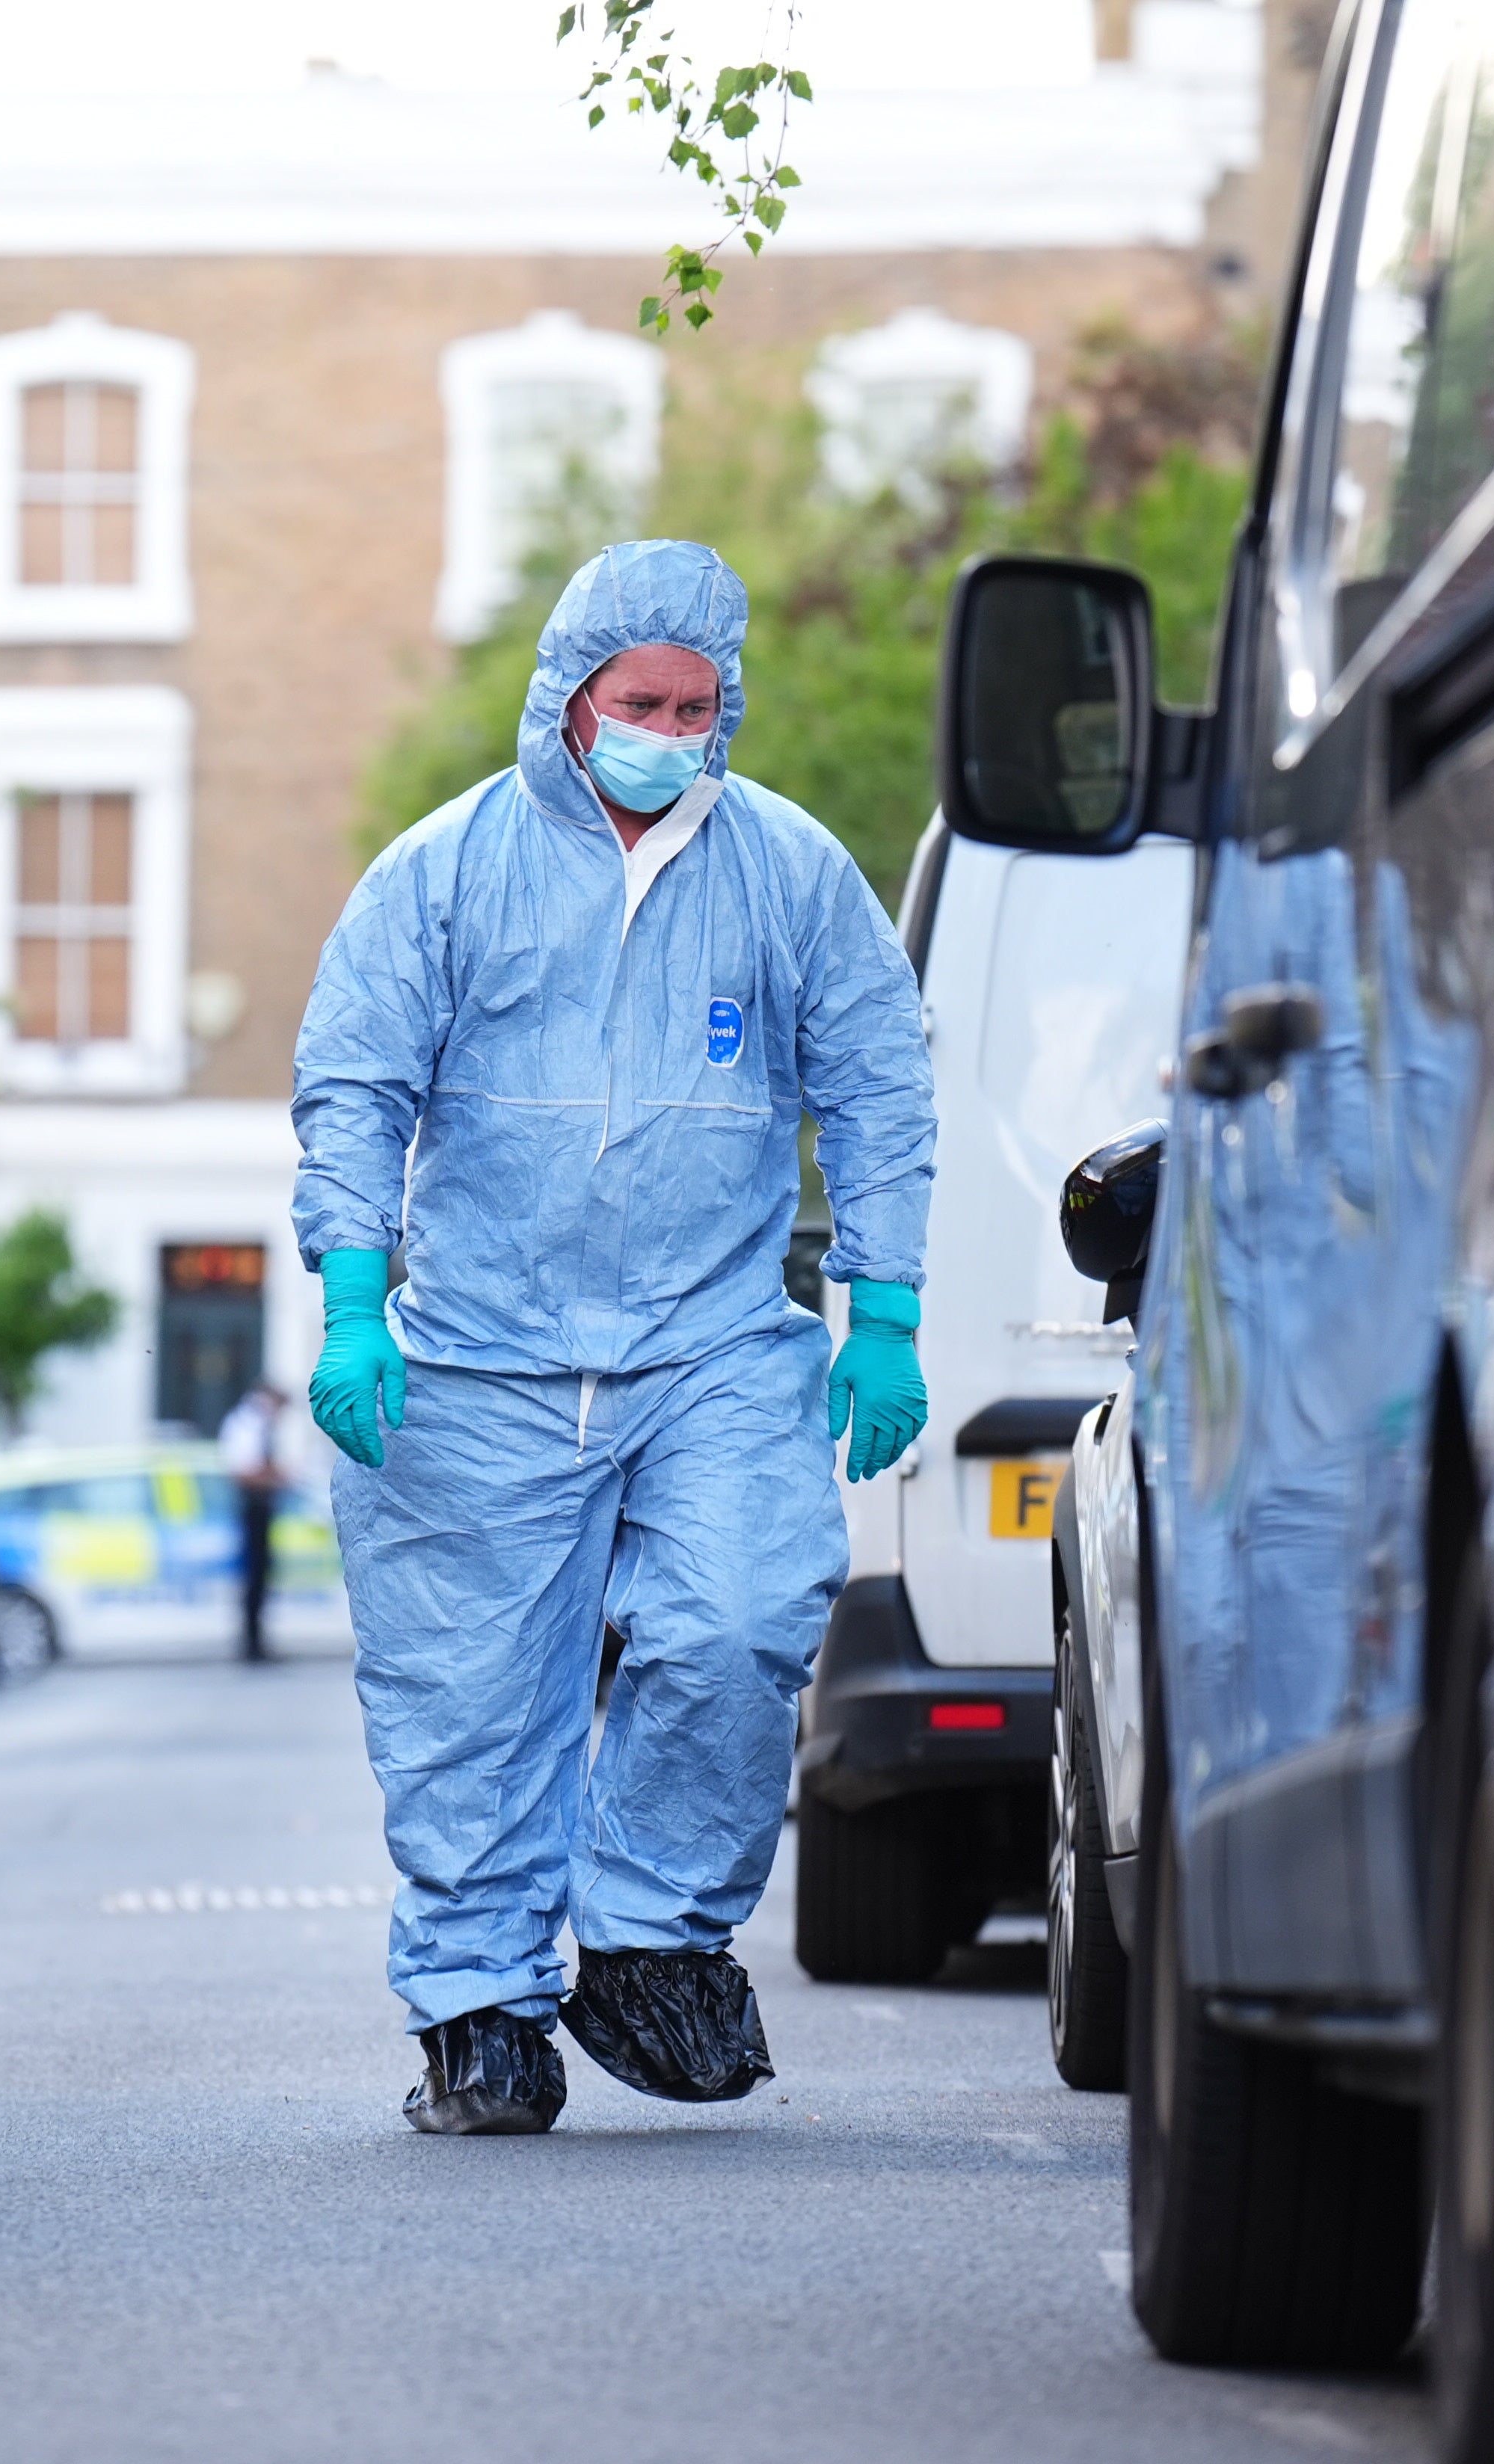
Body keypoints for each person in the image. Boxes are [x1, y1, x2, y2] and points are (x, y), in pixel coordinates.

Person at [291, 540, 934, 2135]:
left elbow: (877, 1083)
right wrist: (357, 1299)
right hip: (480, 1353)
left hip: (711, 1342)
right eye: (638, 698)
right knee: (472, 1694)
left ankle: (650, 1932)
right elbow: (356, 1089)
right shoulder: (444, 871)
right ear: (571, 700)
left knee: (741, 1617)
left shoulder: (787, 871)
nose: (669, 725)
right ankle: (480, 2011)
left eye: (697, 701)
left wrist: (886, 1305)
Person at [217, 1378, 292, 1663]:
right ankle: (251, 1644)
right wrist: (278, 1478)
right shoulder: (247, 1423)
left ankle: (257, 1641)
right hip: (253, 1509)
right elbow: (244, 1471)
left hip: (261, 1509)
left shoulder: (256, 1423)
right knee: (254, 1578)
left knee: (260, 1578)